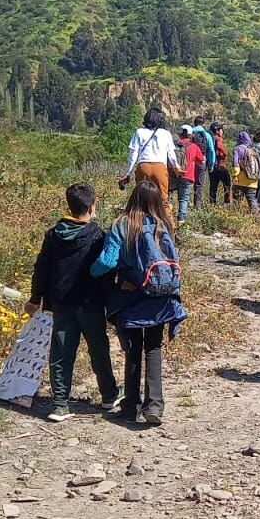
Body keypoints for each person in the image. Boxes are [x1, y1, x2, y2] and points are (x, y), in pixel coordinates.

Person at [91, 180, 188, 426]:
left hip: (130, 295)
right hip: (159, 297)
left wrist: (89, 272)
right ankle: (154, 405)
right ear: (156, 201)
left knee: (132, 350)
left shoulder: (122, 225)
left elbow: (107, 262)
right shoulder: (163, 224)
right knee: (153, 347)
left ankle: (131, 406)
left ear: (133, 197)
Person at [24, 183, 119, 422]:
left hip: (61, 303)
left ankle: (60, 405)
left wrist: (35, 298)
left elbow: (41, 269)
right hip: (91, 304)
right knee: (99, 349)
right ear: (91, 206)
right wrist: (113, 304)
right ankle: (108, 395)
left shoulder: (53, 234)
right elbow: (107, 271)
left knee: (61, 353)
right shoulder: (97, 235)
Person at [119, 106, 180, 201]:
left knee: (141, 199)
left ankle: (141, 215)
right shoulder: (166, 134)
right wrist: (177, 168)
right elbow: (171, 155)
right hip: (160, 167)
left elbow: (133, 155)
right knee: (163, 199)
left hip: (143, 167)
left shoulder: (139, 132)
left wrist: (128, 173)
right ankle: (164, 215)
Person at [174, 125, 206, 223]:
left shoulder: (174, 145)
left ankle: (167, 216)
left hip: (173, 174)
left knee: (169, 196)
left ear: (180, 134)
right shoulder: (194, 146)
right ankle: (181, 219)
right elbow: (201, 160)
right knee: (183, 198)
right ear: (190, 135)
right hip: (187, 175)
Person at [232, 131, 260, 212]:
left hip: (240, 180)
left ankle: (237, 217)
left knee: (237, 200)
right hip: (253, 180)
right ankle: (256, 217)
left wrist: (234, 176)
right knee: (252, 199)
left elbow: (235, 166)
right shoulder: (253, 149)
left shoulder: (238, 149)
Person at [208, 122, 232, 205]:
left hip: (213, 166)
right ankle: (226, 203)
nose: (222, 131)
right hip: (220, 165)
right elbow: (219, 146)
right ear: (217, 130)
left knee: (213, 187)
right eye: (221, 129)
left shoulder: (211, 138)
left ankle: (212, 204)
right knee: (227, 184)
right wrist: (225, 152)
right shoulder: (218, 138)